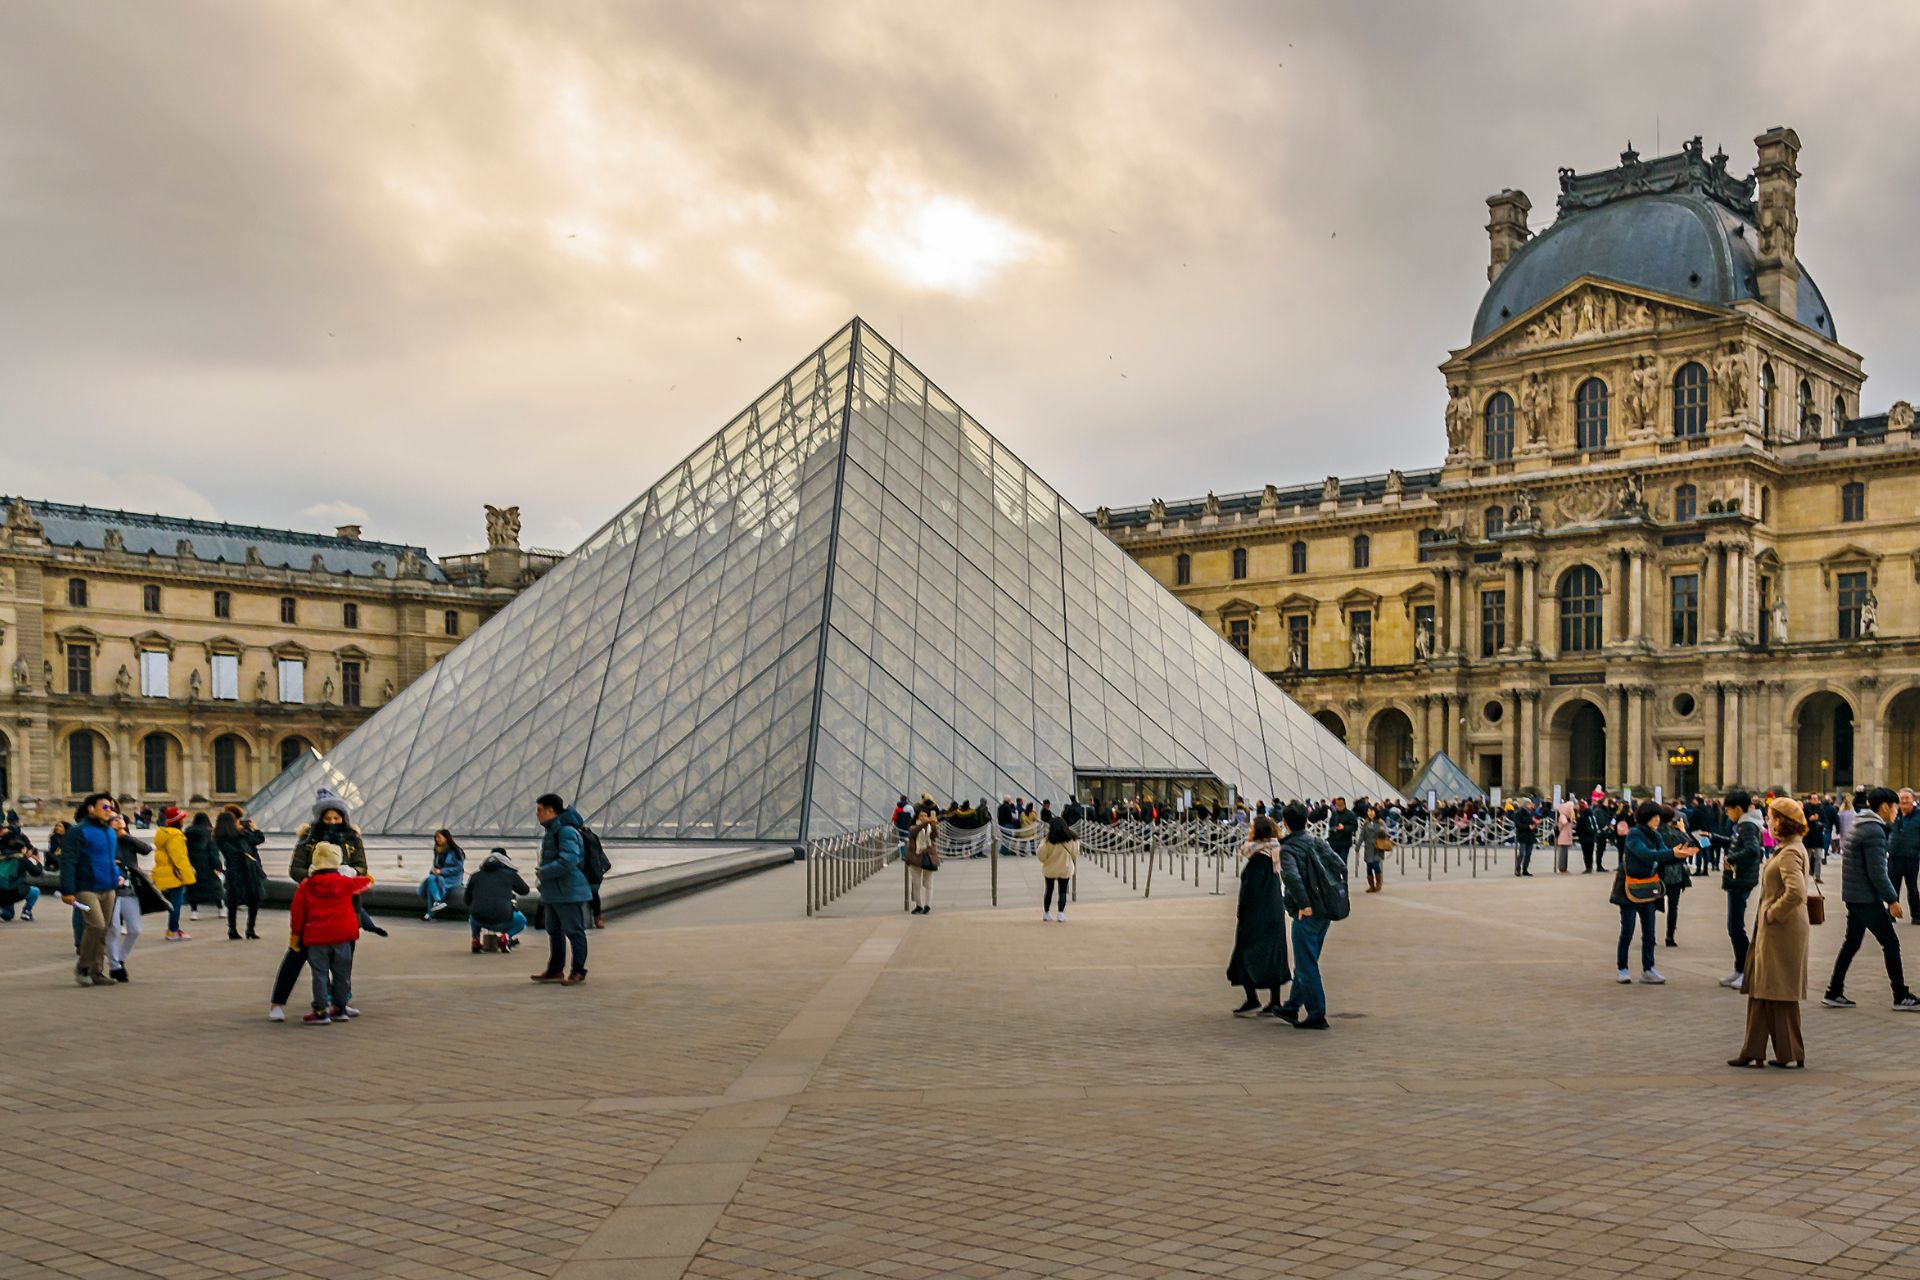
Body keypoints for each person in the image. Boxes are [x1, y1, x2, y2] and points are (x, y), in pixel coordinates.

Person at [1730, 797, 1812, 1068]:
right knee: (1762, 988)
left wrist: (1772, 912)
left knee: (1778, 991)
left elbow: (1796, 892)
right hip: (1777, 929)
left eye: (1772, 817)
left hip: (1782, 930)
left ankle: (1789, 1053)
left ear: (1782, 822)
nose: (1768, 821)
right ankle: (1758, 1050)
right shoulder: (1788, 848)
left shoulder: (1789, 852)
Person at [1822, 786, 1920, 1011]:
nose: (1896, 812)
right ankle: (1900, 995)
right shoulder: (1874, 830)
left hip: (1854, 895)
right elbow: (1877, 871)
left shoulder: (1861, 824)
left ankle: (1834, 990)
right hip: (1866, 897)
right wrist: (1892, 900)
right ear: (1885, 806)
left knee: (1852, 942)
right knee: (1890, 942)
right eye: (1895, 807)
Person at [1275, 802, 1344, 1030]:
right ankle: (1292, 1006)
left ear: (1284, 823)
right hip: (1324, 910)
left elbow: (1293, 879)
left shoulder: (1288, 849)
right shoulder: (1317, 842)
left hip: (1308, 913)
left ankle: (1317, 1014)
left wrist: (1304, 905)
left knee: (1306, 965)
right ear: (1307, 820)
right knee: (1306, 960)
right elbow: (1339, 865)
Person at [286, 841, 371, 1025]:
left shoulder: (307, 886)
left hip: (316, 937)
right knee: (341, 973)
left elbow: (297, 913)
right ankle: (340, 1009)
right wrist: (352, 873)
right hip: (343, 935)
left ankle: (320, 1011)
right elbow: (366, 882)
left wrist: (295, 936)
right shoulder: (345, 882)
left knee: (320, 974)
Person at [1611, 800, 1691, 985]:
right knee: (1628, 930)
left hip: (1648, 888)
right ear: (1646, 818)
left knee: (1650, 932)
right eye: (1655, 818)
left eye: (1658, 818)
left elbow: (1663, 854)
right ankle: (1622, 968)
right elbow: (1645, 854)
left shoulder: (1656, 835)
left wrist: (1678, 856)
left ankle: (1648, 968)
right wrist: (1672, 854)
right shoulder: (1634, 835)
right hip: (1629, 889)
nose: (1657, 821)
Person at [1228, 815, 1290, 1016]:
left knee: (1244, 953)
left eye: (1252, 828)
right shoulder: (1274, 852)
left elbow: (1251, 890)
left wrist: (1242, 911)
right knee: (1273, 954)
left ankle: (1252, 999)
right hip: (1274, 912)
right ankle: (1275, 1001)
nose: (1249, 831)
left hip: (1256, 914)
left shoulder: (1258, 858)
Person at [60, 794, 121, 987]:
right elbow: (68, 861)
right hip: (86, 887)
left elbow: (110, 859)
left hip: (108, 887)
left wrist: (118, 875)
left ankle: (97, 971)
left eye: (110, 807)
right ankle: (83, 968)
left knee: (103, 931)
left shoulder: (110, 832)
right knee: (96, 925)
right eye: (104, 807)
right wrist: (68, 890)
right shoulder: (78, 832)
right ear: (91, 809)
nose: (109, 811)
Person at [531, 792, 590, 984]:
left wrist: (543, 872)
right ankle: (555, 969)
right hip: (553, 891)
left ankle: (578, 970)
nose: (537, 814)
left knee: (574, 931)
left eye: (539, 810)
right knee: (554, 931)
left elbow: (569, 860)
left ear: (551, 810)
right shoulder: (552, 831)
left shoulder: (566, 831)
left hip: (568, 891)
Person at [1719, 791, 1764, 990]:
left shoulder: (1746, 825)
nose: (1727, 813)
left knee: (1736, 927)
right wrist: (1713, 837)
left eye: (1728, 810)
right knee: (1734, 926)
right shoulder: (1745, 824)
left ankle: (1747, 971)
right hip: (1741, 879)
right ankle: (1739, 969)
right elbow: (1739, 844)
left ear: (1738, 808)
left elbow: (1753, 849)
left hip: (1740, 880)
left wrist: (1731, 859)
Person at [104, 815, 152, 982]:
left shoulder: (127, 840)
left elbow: (146, 849)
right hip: (112, 889)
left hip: (130, 889)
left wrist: (126, 836)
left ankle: (120, 958)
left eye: (121, 819)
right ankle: (115, 966)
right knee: (114, 930)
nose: (119, 820)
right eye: (115, 819)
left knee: (135, 930)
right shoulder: (106, 841)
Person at [466, 849, 530, 953]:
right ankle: (506, 936)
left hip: (479, 919)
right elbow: (525, 890)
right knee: (522, 920)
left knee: (472, 915)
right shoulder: (509, 874)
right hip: (503, 919)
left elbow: (467, 901)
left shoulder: (475, 876)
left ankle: (475, 939)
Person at [217, 806, 266, 940]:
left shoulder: (219, 836)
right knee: (253, 899)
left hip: (233, 871)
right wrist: (254, 829)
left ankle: (232, 929)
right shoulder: (241, 835)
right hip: (248, 870)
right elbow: (259, 839)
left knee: (233, 900)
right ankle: (250, 929)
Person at [150, 807, 196, 941]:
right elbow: (179, 858)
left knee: (174, 902)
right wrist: (187, 874)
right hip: (175, 874)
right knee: (176, 903)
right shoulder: (175, 836)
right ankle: (173, 930)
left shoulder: (163, 833)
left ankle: (173, 929)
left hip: (166, 872)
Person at [1660, 805, 1693, 948]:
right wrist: (1683, 829)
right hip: (1674, 873)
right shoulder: (1676, 833)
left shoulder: (1655, 832)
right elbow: (1690, 845)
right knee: (1673, 906)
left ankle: (1649, 935)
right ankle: (1669, 936)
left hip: (1657, 872)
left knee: (1649, 906)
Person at [1036, 816, 1078, 923]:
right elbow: (1075, 854)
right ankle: (1061, 913)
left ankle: (1046, 913)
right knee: (1063, 891)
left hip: (1050, 869)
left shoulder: (1048, 840)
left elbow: (1041, 855)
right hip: (1065, 868)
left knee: (1049, 890)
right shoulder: (1072, 839)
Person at [183, 811, 222, 921]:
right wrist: (217, 866)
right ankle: (221, 909)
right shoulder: (209, 832)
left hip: (193, 865)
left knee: (193, 889)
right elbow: (213, 851)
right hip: (207, 865)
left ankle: (194, 912)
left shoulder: (188, 832)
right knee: (215, 888)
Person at [419, 829, 466, 920]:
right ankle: (437, 901)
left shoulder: (456, 851)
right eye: (436, 837)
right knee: (431, 879)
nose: (437, 839)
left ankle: (430, 913)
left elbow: (458, 869)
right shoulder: (437, 850)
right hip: (440, 877)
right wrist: (434, 871)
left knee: (431, 884)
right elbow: (436, 865)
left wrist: (441, 872)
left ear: (446, 838)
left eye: (439, 837)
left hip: (452, 879)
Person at [1890, 788, 1920, 922]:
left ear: (1913, 800)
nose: (1903, 801)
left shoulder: (1918, 815)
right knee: (1892, 887)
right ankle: (1891, 914)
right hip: (1894, 856)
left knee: (1912, 887)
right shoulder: (1894, 814)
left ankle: (1916, 915)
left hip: (1911, 857)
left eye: (1906, 798)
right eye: (1901, 798)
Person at [0, 827, 42, 922]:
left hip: (1, 891)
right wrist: (37, 861)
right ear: (22, 849)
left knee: (8, 915)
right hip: (14, 892)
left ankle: (5, 910)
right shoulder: (22, 860)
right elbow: (37, 872)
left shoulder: (2, 857)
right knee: (35, 891)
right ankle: (26, 911)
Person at [905, 810, 939, 914]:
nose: (923, 817)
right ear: (916, 818)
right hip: (915, 858)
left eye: (925, 815)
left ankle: (927, 905)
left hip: (928, 857)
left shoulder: (929, 826)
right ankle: (918, 905)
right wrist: (927, 821)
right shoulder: (913, 828)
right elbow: (914, 832)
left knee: (928, 883)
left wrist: (933, 825)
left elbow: (934, 836)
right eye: (921, 816)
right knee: (916, 883)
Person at [1356, 804, 1388, 894]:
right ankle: (1371, 886)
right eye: (1368, 811)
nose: (1370, 813)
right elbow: (1362, 835)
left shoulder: (1380, 822)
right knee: (1369, 867)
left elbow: (1386, 834)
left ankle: (1378, 883)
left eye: (1372, 811)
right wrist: (1358, 845)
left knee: (1376, 865)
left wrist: (1382, 832)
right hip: (1368, 848)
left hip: (1377, 847)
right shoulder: (1366, 823)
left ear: (1375, 812)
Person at [1326, 796, 1358, 871]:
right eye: (1337, 805)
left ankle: (1343, 878)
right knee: (1334, 862)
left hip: (1344, 842)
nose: (1338, 807)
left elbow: (1354, 827)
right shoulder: (1334, 814)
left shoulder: (1350, 814)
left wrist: (1344, 827)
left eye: (1340, 805)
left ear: (1344, 804)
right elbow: (1331, 824)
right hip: (1334, 842)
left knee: (1343, 861)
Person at [1512, 801, 1537, 877]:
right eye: (1530, 804)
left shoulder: (1531, 813)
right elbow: (1518, 824)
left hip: (1530, 836)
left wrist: (1534, 826)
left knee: (1528, 854)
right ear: (1526, 805)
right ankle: (1517, 868)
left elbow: (1533, 822)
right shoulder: (1519, 813)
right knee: (1522, 853)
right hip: (1523, 836)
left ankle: (1525, 869)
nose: (1531, 805)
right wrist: (1527, 827)